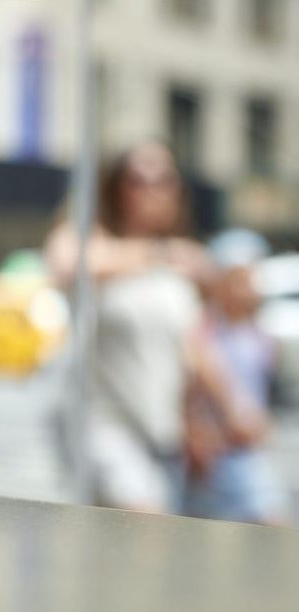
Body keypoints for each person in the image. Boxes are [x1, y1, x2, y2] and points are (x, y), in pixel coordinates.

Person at [45, 141, 244, 513]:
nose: (153, 190)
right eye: (139, 179)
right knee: (145, 520)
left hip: (161, 431)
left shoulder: (184, 268)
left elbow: (194, 352)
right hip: (102, 423)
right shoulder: (97, 242)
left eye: (165, 179)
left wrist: (217, 415)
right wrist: (162, 254)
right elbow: (64, 264)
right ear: (117, 186)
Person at [183, 229, 289, 525]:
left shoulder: (258, 332)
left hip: (246, 450)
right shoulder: (205, 326)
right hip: (218, 451)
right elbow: (200, 378)